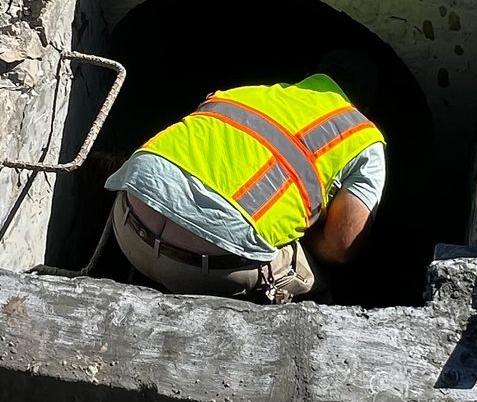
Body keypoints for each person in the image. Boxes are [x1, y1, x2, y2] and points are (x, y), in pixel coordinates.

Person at [106, 62, 384, 304]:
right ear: (366, 106)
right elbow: (340, 249)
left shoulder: (243, 93)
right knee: (315, 282)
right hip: (207, 271)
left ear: (309, 76)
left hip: (127, 226)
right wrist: (300, 233)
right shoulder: (362, 137)